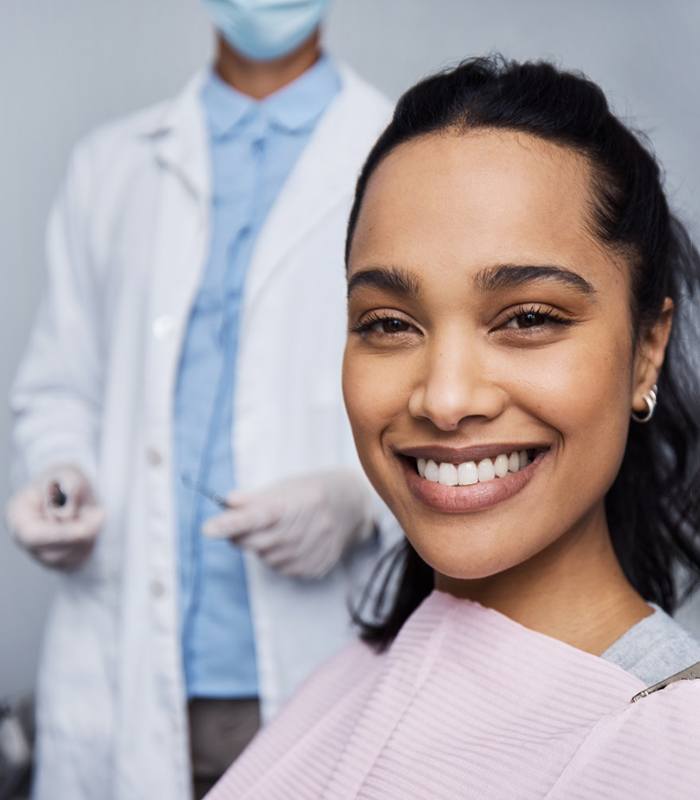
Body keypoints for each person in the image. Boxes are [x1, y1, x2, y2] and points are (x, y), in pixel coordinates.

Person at [207, 56, 700, 799]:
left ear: (646, 350)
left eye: (529, 318)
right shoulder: (352, 676)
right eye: (389, 323)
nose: (443, 398)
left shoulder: (663, 744)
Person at [5, 2, 398, 798]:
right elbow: (60, 385)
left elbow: (444, 392)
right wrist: (61, 473)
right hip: (119, 668)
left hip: (309, 667)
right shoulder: (111, 165)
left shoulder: (400, 155)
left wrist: (363, 502)